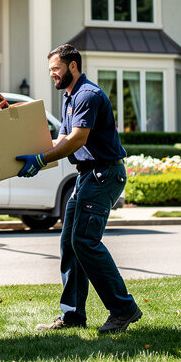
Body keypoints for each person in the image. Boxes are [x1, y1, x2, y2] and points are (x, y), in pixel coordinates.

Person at [15, 43, 142, 334]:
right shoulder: (69, 96)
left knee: (84, 241)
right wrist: (35, 160)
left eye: (56, 69)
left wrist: (40, 159)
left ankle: (123, 309)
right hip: (87, 175)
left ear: (73, 66)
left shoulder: (88, 95)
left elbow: (77, 140)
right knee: (70, 244)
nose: (53, 75)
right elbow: (61, 140)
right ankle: (72, 315)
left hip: (104, 174)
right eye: (50, 71)